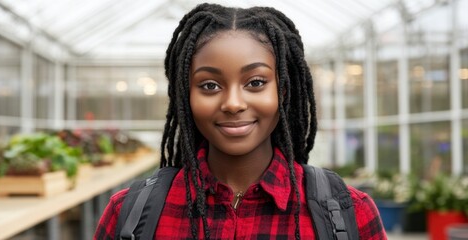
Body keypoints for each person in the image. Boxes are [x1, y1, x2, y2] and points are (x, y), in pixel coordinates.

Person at [94, 3, 387, 239]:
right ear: (186, 96)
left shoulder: (350, 214)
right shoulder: (130, 213)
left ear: (282, 92)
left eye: (256, 82)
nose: (233, 103)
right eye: (209, 85)